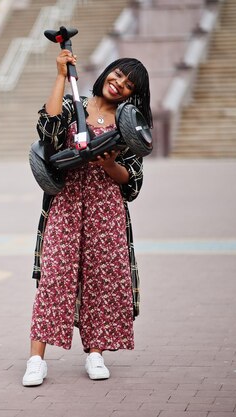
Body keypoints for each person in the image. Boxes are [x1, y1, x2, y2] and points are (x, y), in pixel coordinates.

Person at [22, 52, 153, 387]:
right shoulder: (73, 106)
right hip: (65, 204)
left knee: (102, 279)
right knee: (55, 278)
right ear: (108, 72)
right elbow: (47, 129)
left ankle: (95, 354)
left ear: (132, 93)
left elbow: (132, 182)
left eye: (128, 84)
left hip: (105, 208)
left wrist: (110, 165)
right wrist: (60, 76)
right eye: (118, 75)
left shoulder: (129, 121)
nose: (119, 84)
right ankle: (36, 359)